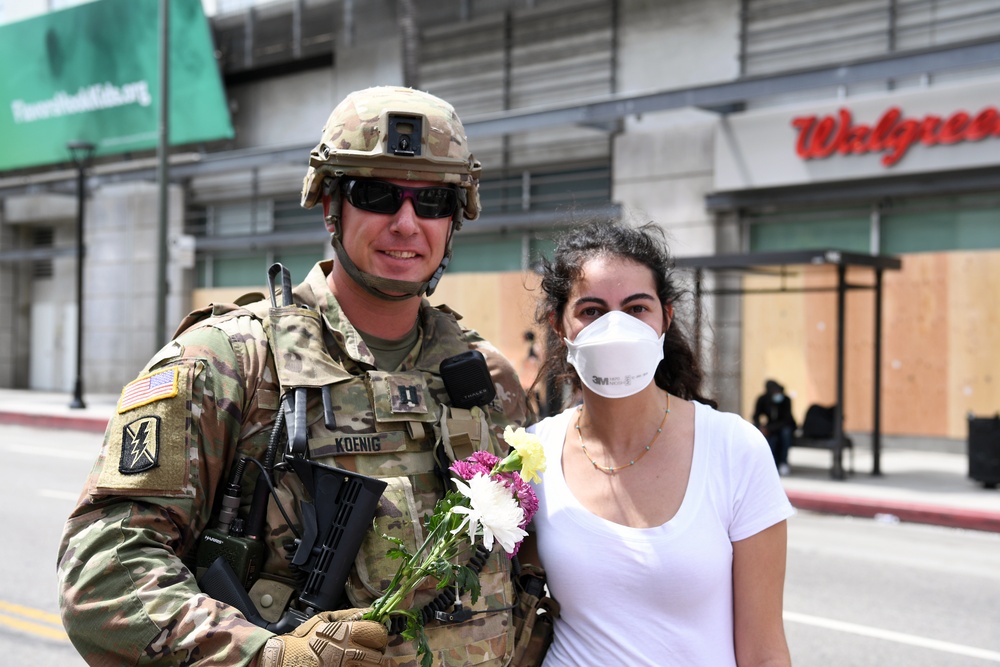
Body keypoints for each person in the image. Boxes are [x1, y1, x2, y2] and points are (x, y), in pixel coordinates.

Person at [57, 86, 529, 667]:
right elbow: (103, 568)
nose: (407, 222)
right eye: (377, 193)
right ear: (331, 205)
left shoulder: (487, 378)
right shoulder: (229, 361)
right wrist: (268, 655)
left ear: (457, 217)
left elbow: (530, 576)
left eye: (432, 200)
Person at [520, 220, 794, 667]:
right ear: (560, 325)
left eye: (636, 309)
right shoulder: (534, 454)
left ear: (665, 318)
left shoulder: (733, 448)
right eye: (591, 310)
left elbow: (764, 652)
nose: (614, 327)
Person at [753, 379, 797, 476]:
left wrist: (770, 428)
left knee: (785, 434)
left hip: (784, 427)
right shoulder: (763, 400)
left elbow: (787, 420)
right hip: (770, 427)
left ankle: (783, 463)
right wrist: (761, 427)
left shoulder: (785, 400)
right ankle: (770, 463)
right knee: (769, 440)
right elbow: (756, 416)